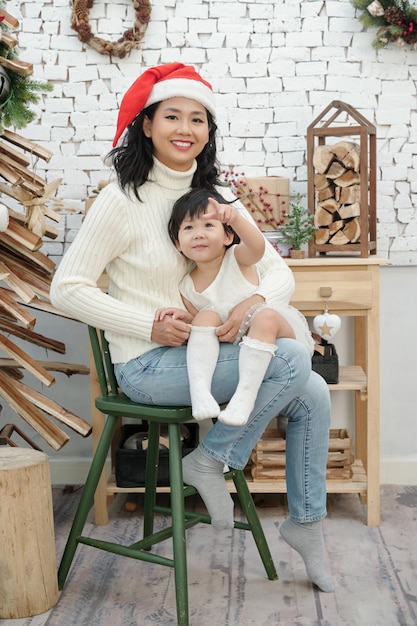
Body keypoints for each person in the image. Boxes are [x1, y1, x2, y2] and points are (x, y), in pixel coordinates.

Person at [50, 63, 334, 592]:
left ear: (208, 131)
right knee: (296, 360)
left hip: (209, 350)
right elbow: (66, 288)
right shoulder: (122, 199)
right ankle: (213, 460)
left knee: (312, 391)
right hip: (145, 365)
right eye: (173, 116)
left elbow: (278, 273)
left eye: (198, 118)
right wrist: (147, 325)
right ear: (148, 125)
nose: (186, 128)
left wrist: (242, 314)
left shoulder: (218, 199)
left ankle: (305, 524)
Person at [155, 187, 314, 426]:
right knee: (207, 316)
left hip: (275, 332)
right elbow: (204, 328)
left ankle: (244, 397)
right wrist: (186, 318)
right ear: (178, 243)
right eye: (189, 228)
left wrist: (236, 219)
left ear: (228, 237)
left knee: (264, 316)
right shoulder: (186, 285)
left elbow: (258, 247)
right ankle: (201, 393)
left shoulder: (237, 257)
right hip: (235, 344)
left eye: (208, 226)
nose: (198, 234)